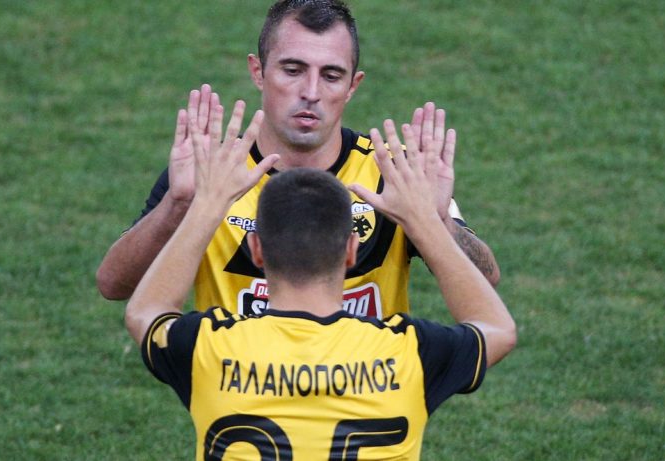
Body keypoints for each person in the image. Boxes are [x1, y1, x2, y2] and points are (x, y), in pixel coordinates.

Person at [124, 100, 516, 460]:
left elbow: (146, 310)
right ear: (351, 251)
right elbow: (496, 328)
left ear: (257, 250)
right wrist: (428, 222)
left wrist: (204, 207)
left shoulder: (208, 348)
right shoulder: (407, 352)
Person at [99, 0, 501, 319]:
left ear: (353, 85)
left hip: (365, 395)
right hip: (240, 395)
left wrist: (438, 223)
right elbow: (113, 285)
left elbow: (487, 282)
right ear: (258, 71)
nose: (310, 91)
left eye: (331, 75)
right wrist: (179, 205)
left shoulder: (395, 174)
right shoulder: (211, 171)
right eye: (293, 70)